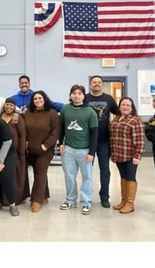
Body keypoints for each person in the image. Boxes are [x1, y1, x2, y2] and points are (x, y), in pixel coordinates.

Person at [58, 85, 98, 215]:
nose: (76, 95)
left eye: (79, 93)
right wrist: (61, 143)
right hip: (68, 149)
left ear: (83, 96)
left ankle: (86, 202)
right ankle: (70, 200)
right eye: (74, 93)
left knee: (87, 177)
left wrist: (92, 152)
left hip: (85, 150)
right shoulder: (65, 109)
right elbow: (62, 127)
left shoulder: (90, 112)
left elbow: (94, 133)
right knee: (69, 176)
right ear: (70, 95)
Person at [86, 75, 121, 208]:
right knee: (87, 171)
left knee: (105, 170)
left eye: (99, 82)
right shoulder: (85, 98)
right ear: (90, 85)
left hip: (104, 141)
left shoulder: (108, 99)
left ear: (102, 85)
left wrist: (115, 127)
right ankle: (87, 196)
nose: (96, 84)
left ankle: (105, 196)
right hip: (87, 141)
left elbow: (118, 114)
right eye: (94, 82)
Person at [24, 90, 61, 213]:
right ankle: (44, 195)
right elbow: (23, 129)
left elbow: (55, 132)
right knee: (38, 172)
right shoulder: (27, 113)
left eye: (40, 98)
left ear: (44, 99)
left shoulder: (52, 113)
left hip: (45, 150)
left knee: (40, 173)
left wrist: (46, 145)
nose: (38, 100)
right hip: (31, 149)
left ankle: (36, 200)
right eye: (35, 99)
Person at [109, 97, 146, 214]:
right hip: (118, 154)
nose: (125, 107)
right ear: (119, 107)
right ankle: (123, 201)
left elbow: (140, 140)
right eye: (123, 105)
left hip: (130, 155)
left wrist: (137, 155)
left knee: (130, 177)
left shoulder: (136, 120)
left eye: (128, 105)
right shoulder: (116, 120)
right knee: (123, 177)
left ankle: (130, 204)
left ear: (131, 107)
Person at [0, 97, 30, 205]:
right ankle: (3, 198)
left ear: (14, 107)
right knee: (4, 174)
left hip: (15, 151)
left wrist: (21, 151)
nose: (9, 107)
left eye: (11, 105)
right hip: (2, 152)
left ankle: (16, 198)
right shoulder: (0, 117)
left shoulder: (18, 118)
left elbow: (23, 135)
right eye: (7, 105)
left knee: (15, 175)